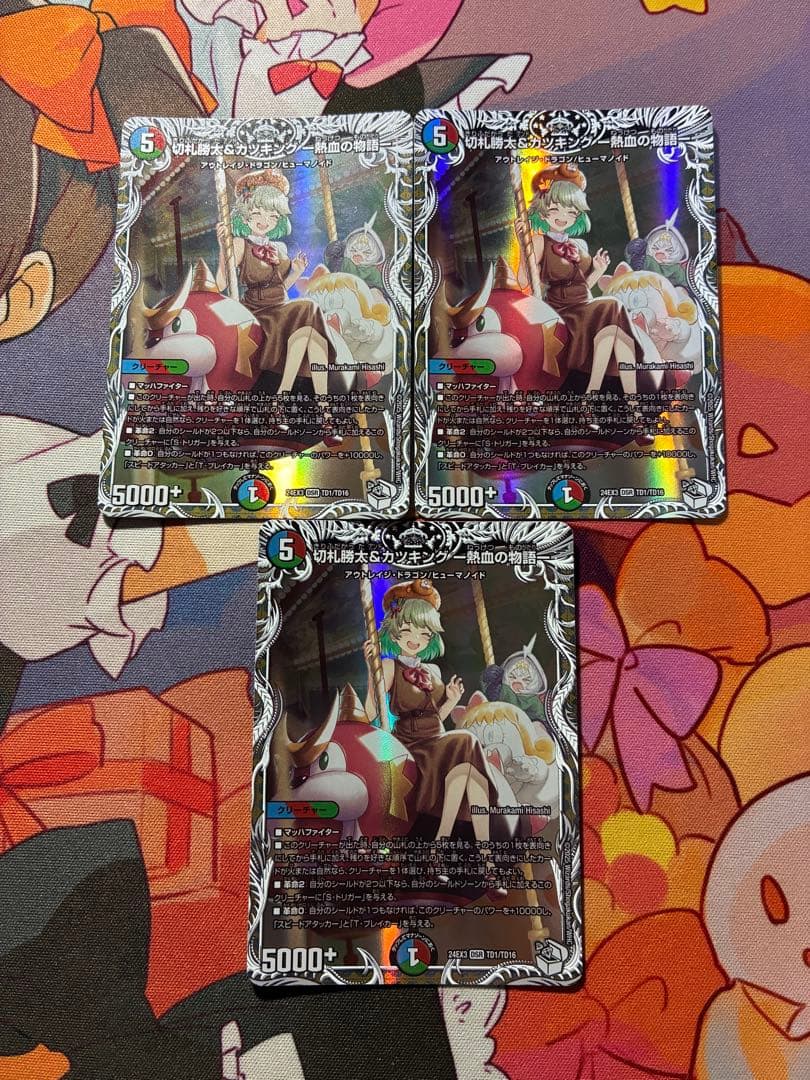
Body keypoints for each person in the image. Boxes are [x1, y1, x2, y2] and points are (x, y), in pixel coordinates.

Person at [362, 579, 508, 889]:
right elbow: (370, 713)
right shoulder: (388, 667)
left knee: (468, 774)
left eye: (423, 633)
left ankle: (472, 858)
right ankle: (473, 859)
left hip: (439, 740)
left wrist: (451, 701)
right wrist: (369, 670)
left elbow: (436, 719)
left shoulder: (435, 672)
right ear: (395, 632)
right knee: (466, 742)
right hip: (413, 747)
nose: (415, 639)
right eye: (408, 631)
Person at [516, 163, 656, 431]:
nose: (562, 217)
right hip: (563, 313)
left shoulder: (577, 247)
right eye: (555, 209)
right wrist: (522, 245)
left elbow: (583, 287)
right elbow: (523, 282)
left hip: (586, 307)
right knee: (612, 307)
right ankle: (625, 410)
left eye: (570, 211)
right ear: (543, 210)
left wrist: (599, 271)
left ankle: (621, 408)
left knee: (614, 336)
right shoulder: (539, 242)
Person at [215, 167, 341, 439]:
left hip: (283, 308)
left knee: (308, 336)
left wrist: (295, 272)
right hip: (259, 313)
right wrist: (221, 248)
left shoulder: (279, 249)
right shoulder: (239, 243)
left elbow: (280, 288)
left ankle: (311, 410)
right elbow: (221, 284)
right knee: (308, 309)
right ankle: (316, 412)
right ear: (245, 214)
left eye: (272, 215)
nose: (265, 221)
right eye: (258, 213)